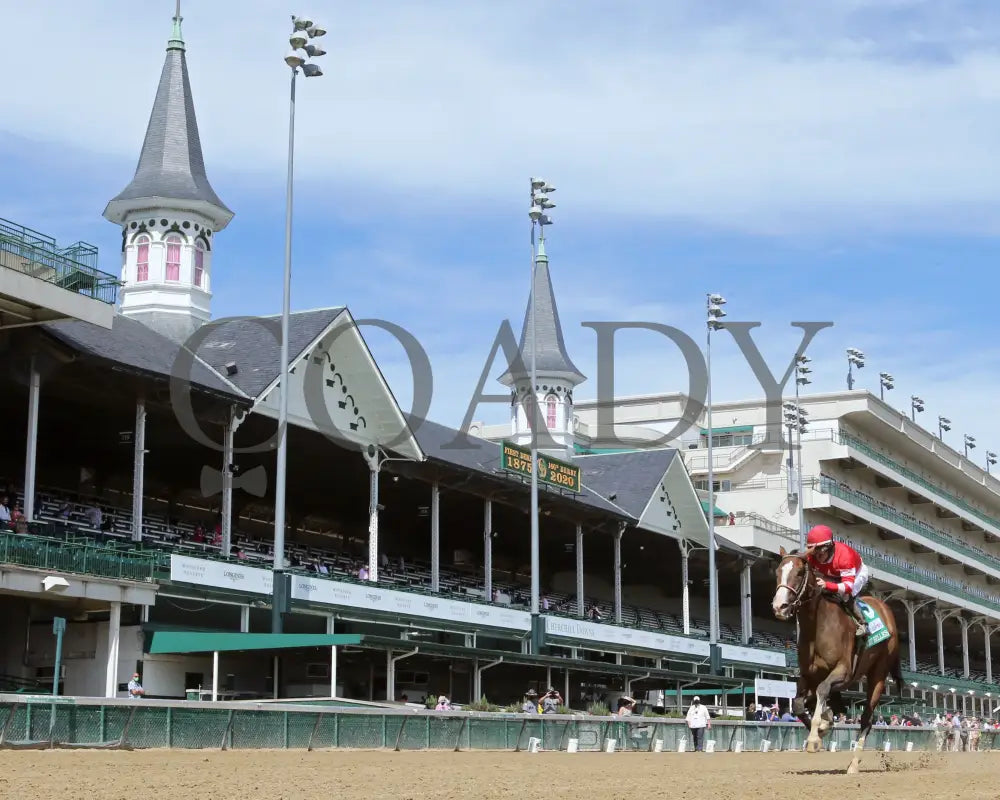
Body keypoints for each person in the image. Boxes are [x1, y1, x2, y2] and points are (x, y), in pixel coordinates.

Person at [805, 524, 869, 637]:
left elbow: (848, 586)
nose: (818, 558)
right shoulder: (812, 557)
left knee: (845, 595)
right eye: (815, 554)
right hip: (833, 574)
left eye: (820, 554)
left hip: (856, 574)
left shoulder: (845, 557)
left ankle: (862, 623)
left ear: (829, 548)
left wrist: (827, 585)